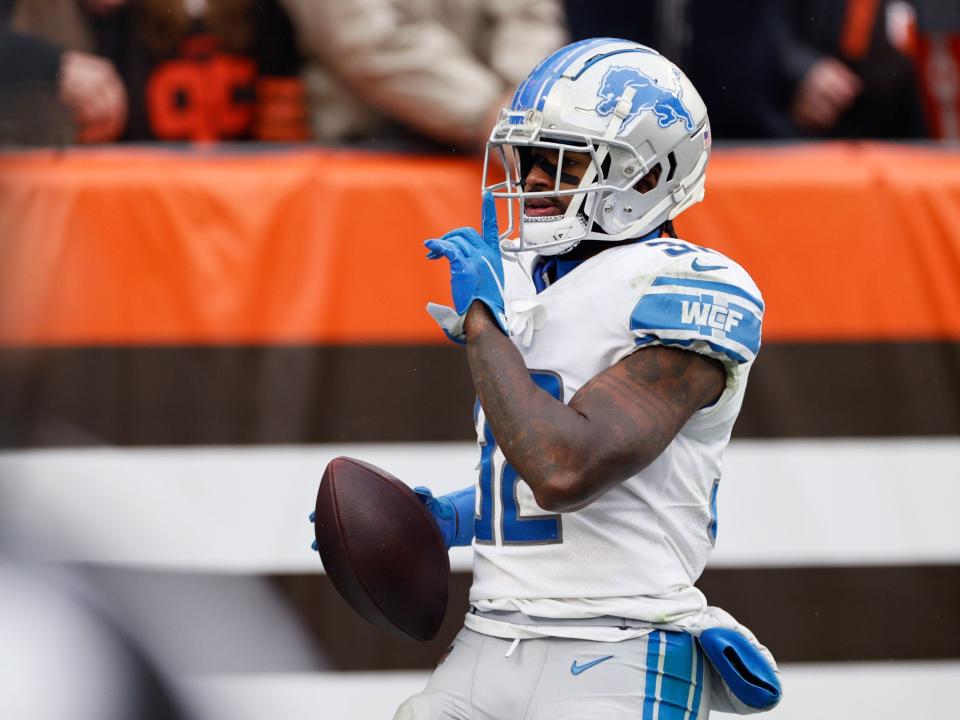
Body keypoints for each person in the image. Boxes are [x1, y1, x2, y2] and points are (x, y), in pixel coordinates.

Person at [400, 39, 782, 719]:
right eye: (530, 156)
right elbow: (528, 479)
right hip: (494, 633)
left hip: (620, 643)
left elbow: (565, 468)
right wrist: (453, 516)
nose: (536, 178)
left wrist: (484, 325)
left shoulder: (687, 285)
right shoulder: (521, 279)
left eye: (566, 159)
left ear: (646, 175)